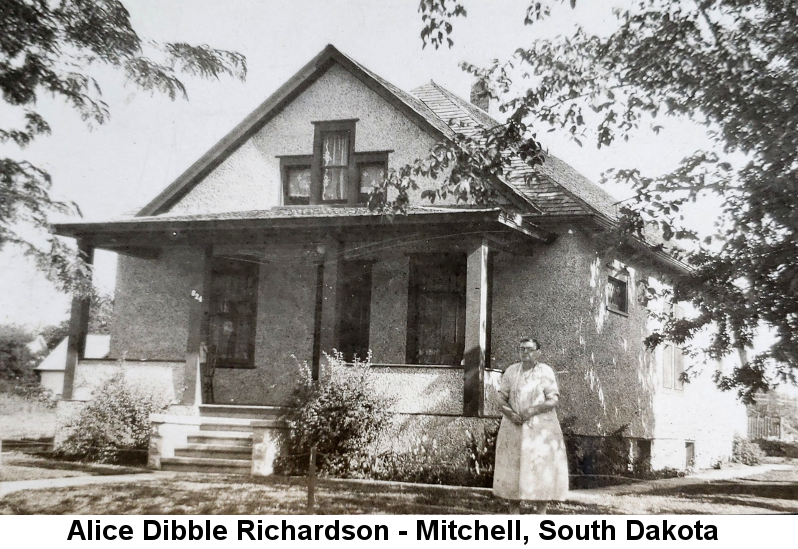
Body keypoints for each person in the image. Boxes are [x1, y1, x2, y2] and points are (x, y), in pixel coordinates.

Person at [493, 337, 569, 514]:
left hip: (540, 429)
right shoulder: (512, 371)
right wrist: (511, 413)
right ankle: (514, 513)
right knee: (513, 467)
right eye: (521, 349)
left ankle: (541, 514)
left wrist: (531, 411)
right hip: (513, 427)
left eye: (529, 349)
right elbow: (500, 398)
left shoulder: (545, 371)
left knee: (540, 468)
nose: (525, 352)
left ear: (538, 353)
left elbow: (553, 399)